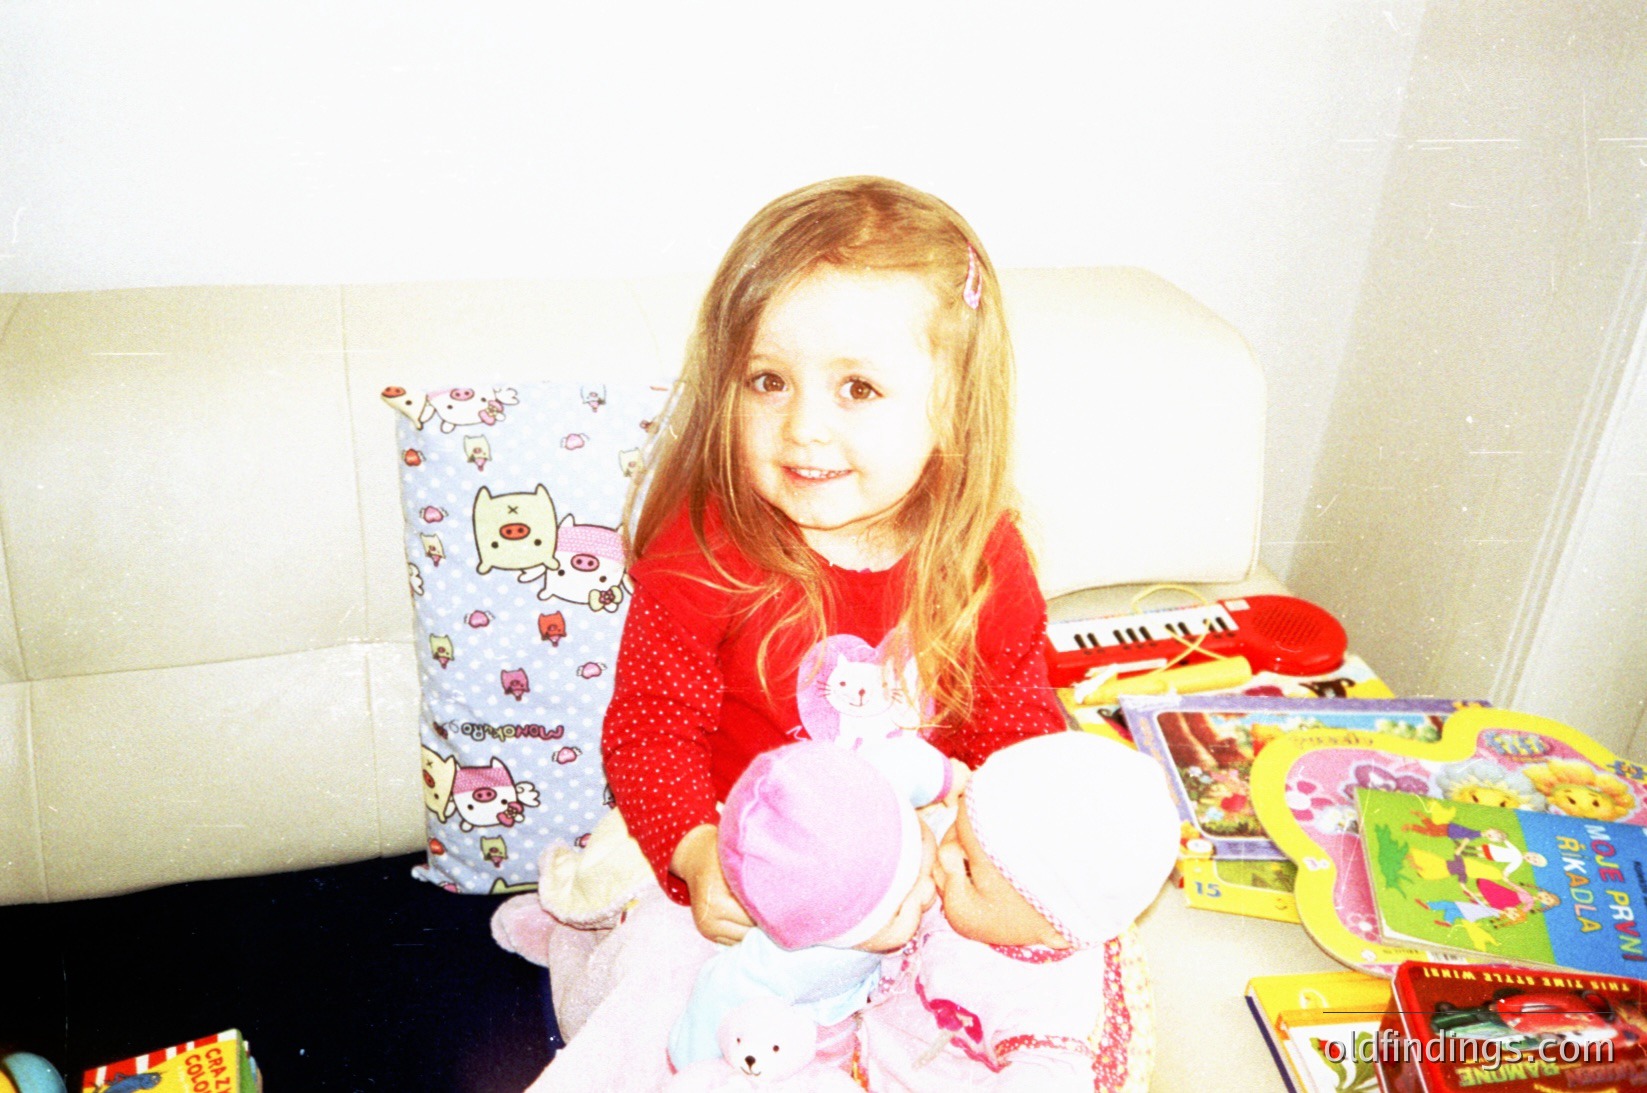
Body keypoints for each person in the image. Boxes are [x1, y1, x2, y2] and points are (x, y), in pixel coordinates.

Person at [602, 175, 1067, 947]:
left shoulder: (983, 554)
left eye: (857, 387)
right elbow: (649, 734)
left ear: (950, 405)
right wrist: (694, 852)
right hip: (746, 870)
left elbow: (1013, 723)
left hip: (920, 873)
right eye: (768, 381)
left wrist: (1016, 848)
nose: (802, 426)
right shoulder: (703, 554)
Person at [854, 731, 1181, 1092]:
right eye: (956, 831)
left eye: (968, 870)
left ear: (1055, 930)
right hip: (875, 1025)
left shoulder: (1045, 1001)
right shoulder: (988, 872)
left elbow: (1053, 1077)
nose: (944, 856)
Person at [667, 741, 946, 1070]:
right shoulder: (788, 962)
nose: (928, 890)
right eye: (900, 909)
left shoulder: (876, 796)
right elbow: (716, 995)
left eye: (921, 854)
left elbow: (903, 762)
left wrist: (951, 779)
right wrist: (692, 1062)